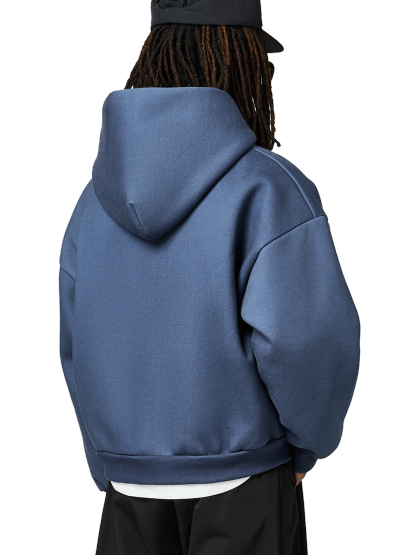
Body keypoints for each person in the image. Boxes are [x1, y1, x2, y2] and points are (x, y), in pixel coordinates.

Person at [58, 1, 361, 554]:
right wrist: (308, 447)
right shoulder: (268, 188)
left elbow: (77, 347)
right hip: (246, 482)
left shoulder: (90, 205)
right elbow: (308, 342)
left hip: (128, 488)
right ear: (240, 59)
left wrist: (108, 461)